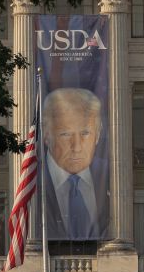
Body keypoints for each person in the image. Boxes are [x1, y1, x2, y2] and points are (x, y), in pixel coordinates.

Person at [41, 88, 109, 241]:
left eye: (85, 133)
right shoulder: (31, 179)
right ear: (46, 135)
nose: (77, 147)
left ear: (97, 135)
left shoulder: (113, 176)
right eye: (65, 134)